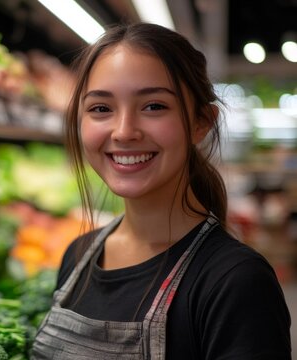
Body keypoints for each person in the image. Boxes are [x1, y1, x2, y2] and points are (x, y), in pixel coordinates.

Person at [31, 22, 291, 360]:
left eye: (154, 106)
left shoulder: (235, 282)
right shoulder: (78, 255)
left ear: (201, 122)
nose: (124, 132)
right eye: (100, 108)